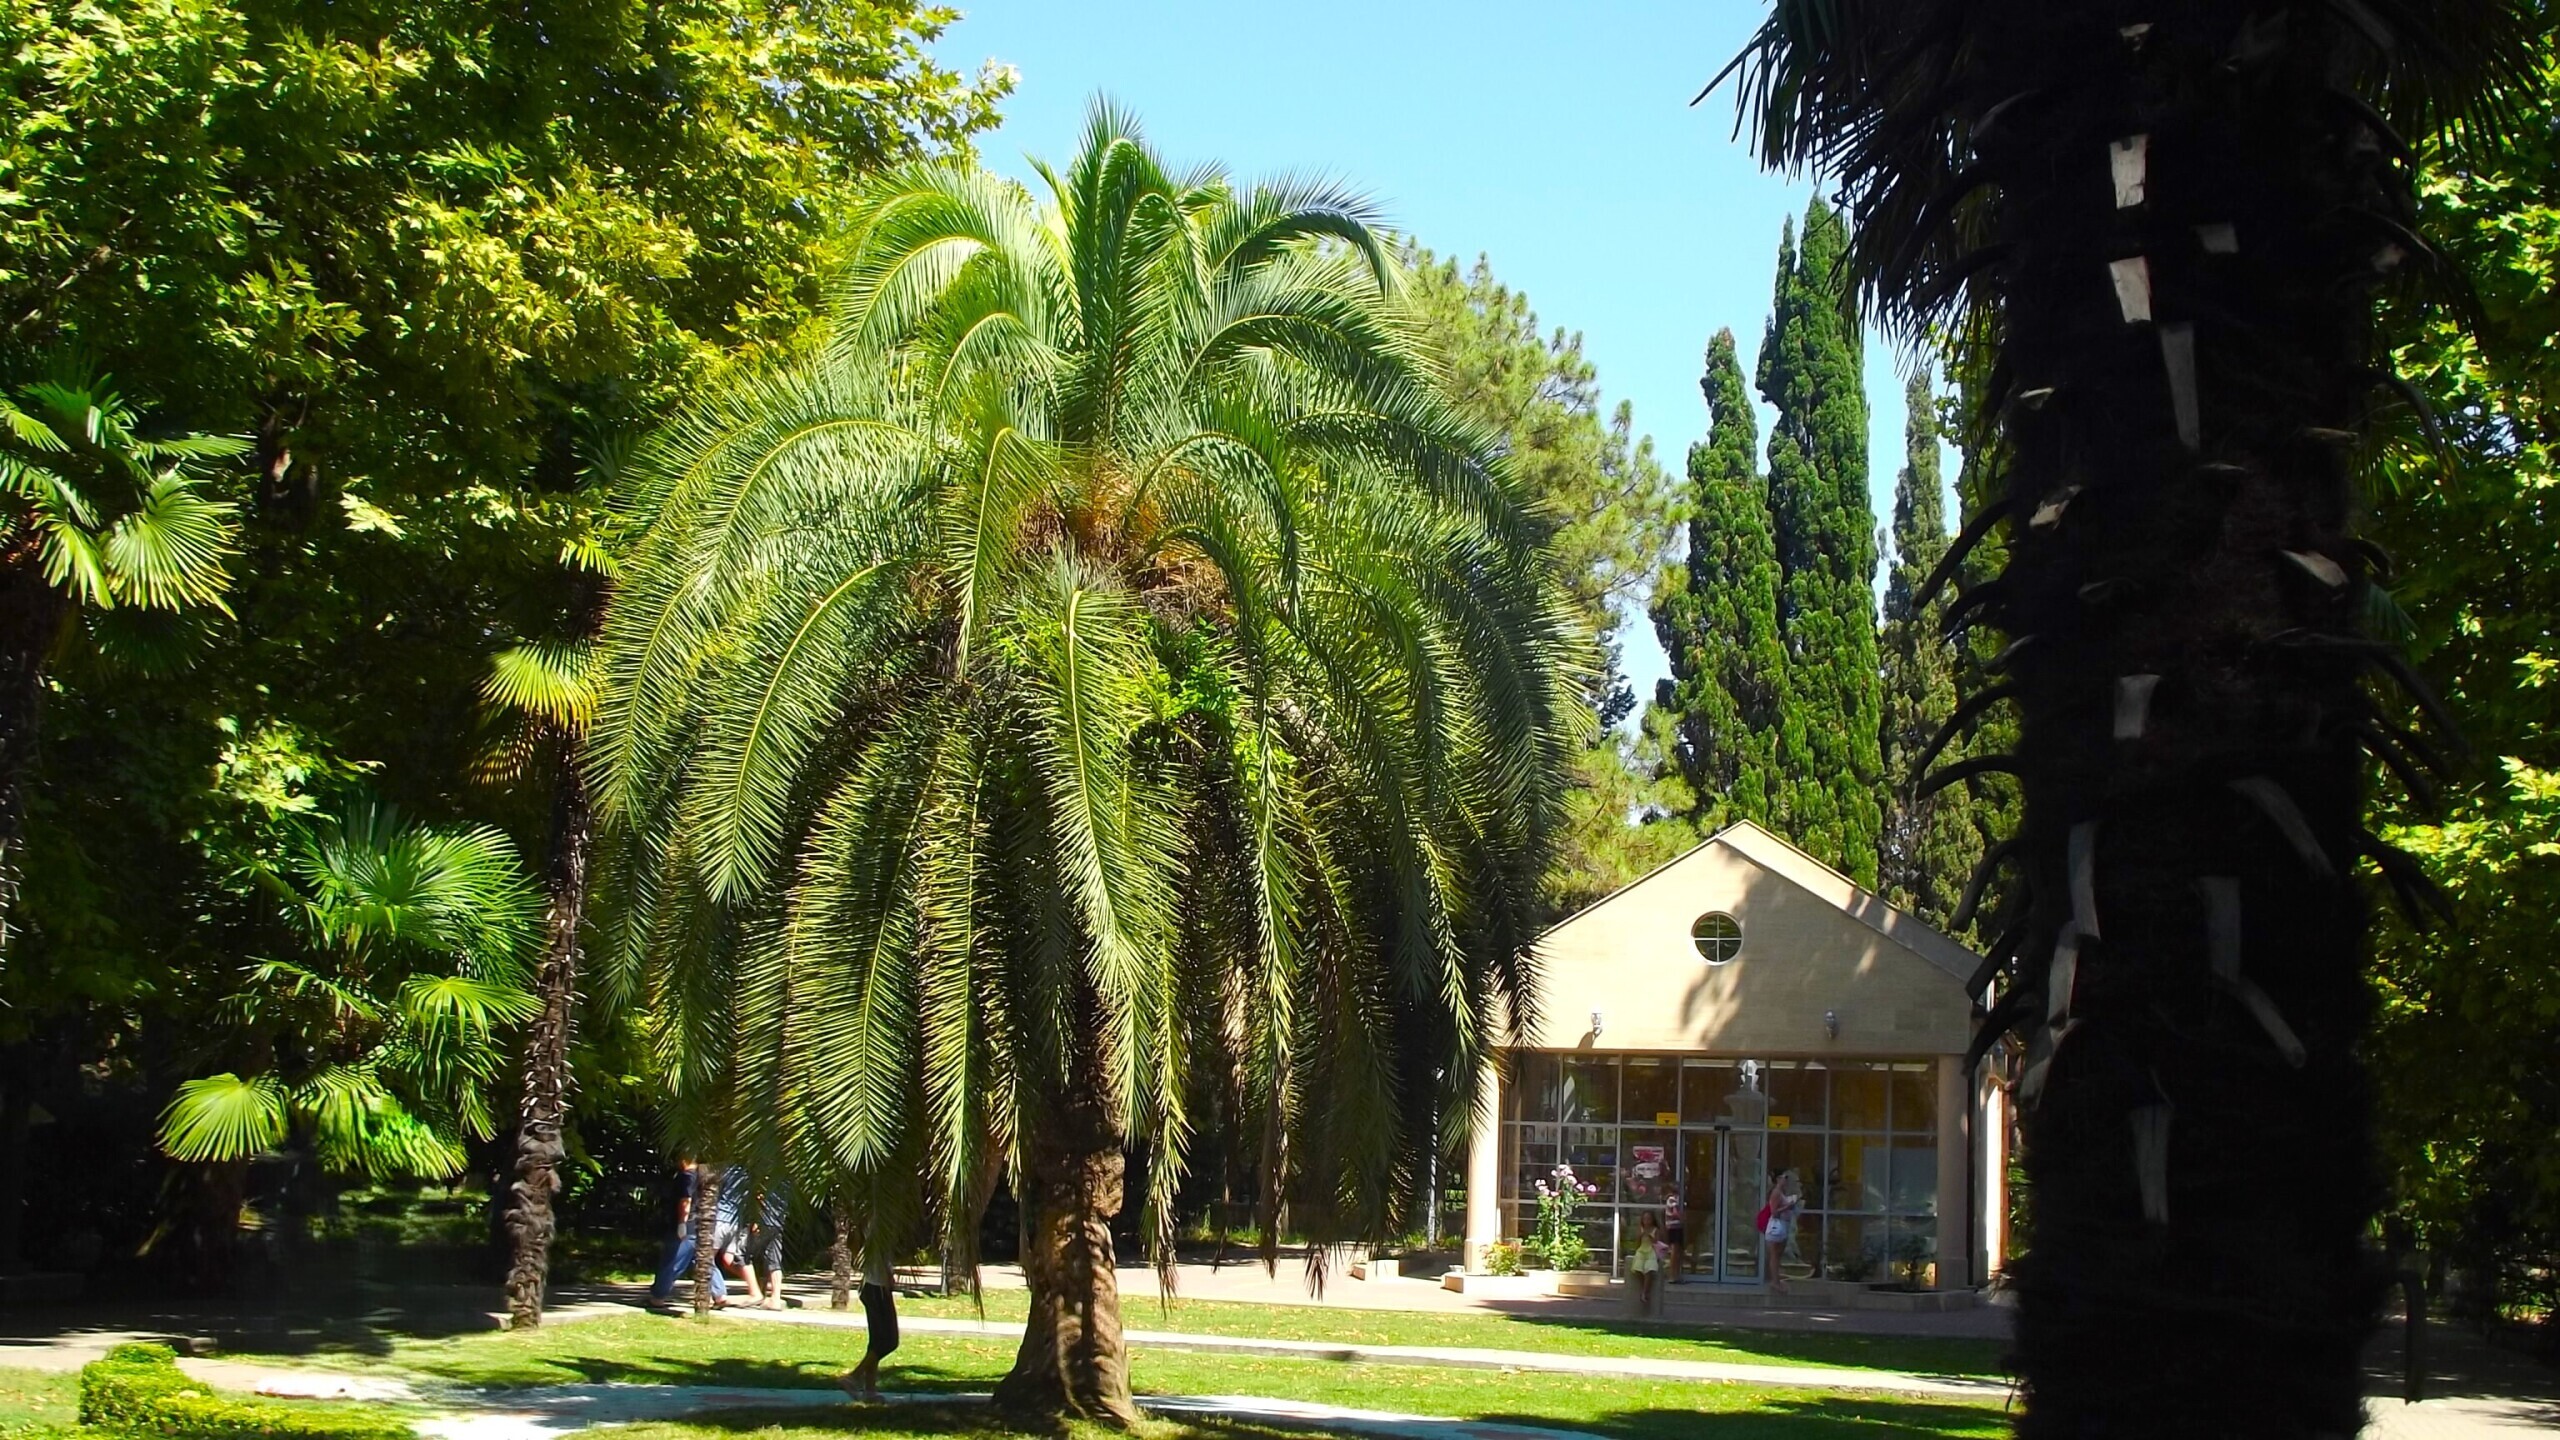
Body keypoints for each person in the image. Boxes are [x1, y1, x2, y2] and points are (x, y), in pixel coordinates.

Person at [648, 1156, 726, 1306]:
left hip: (687, 1225)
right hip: (702, 1225)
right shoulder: (705, 1177)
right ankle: (719, 1293)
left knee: (672, 1261)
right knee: (704, 1260)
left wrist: (681, 1223)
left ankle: (658, 1296)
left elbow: (685, 1200)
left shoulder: (687, 1176)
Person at [839, 1244, 900, 1402]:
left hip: (871, 1285)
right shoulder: (879, 1222)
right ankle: (854, 1376)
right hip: (877, 1287)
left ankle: (870, 1390)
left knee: (876, 1342)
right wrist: (888, 1275)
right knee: (890, 1341)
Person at [1759, 1168, 1805, 1293]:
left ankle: (1777, 1280)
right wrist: (1787, 1207)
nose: (1786, 1181)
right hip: (1776, 1225)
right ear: (1778, 1179)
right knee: (1774, 1254)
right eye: (1785, 1178)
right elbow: (1774, 1212)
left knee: (1778, 1255)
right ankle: (1774, 1281)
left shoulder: (1783, 1193)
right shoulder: (1776, 1193)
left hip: (1783, 1225)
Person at [1626, 1210, 1664, 1315]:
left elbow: (1657, 1241)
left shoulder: (1655, 1230)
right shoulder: (1641, 1229)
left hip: (1651, 1250)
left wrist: (1650, 1236)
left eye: (1649, 1219)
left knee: (1649, 1269)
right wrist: (1641, 1235)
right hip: (1642, 1250)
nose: (1647, 1221)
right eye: (1645, 1219)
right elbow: (1637, 1243)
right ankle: (1644, 1286)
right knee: (1638, 1268)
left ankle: (1645, 1292)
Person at [1661, 1189, 1686, 1284]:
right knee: (1675, 1252)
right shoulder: (1672, 1199)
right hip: (1674, 1227)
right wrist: (1682, 1218)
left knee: (1678, 1251)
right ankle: (1672, 1275)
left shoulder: (1674, 1199)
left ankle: (1676, 1275)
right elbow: (1675, 1213)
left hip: (1676, 1227)